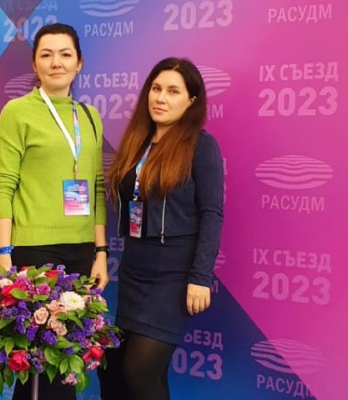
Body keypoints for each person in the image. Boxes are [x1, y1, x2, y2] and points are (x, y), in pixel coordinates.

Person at [0, 23, 109, 400]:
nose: (56, 62)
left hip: (80, 252)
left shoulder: (89, 116)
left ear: (79, 63)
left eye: (65, 54)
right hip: (33, 254)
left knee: (68, 365)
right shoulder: (17, 112)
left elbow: (97, 188)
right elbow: (2, 186)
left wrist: (101, 252)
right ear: (34, 64)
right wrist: (3, 255)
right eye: (46, 54)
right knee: (37, 370)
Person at [100, 57, 224, 400]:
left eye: (173, 91)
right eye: (156, 89)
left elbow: (212, 214)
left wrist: (200, 277)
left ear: (191, 101)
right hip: (135, 269)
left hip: (174, 274)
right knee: (115, 370)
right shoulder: (137, 143)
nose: (161, 98)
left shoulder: (201, 146)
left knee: (139, 371)